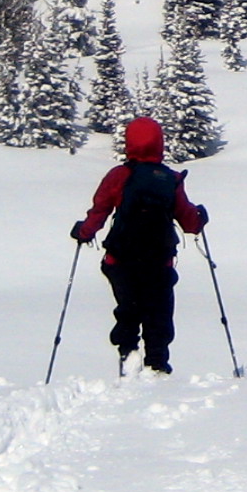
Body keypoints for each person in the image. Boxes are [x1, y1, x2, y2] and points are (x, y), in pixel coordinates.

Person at [71, 115, 208, 376]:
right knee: (158, 315)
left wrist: (82, 232)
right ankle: (156, 365)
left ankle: (128, 356)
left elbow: (99, 212)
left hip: (120, 260)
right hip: (159, 261)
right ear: (159, 143)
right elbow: (190, 222)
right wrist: (200, 217)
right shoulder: (170, 179)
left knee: (128, 309)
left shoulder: (119, 176)